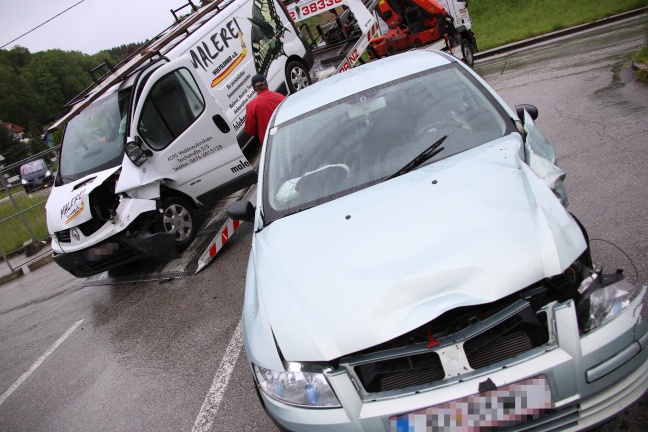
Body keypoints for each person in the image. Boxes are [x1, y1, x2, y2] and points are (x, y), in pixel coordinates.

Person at [245, 74, 285, 146]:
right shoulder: (280, 97)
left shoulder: (251, 106)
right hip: (286, 135)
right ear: (266, 83)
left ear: (254, 88)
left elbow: (250, 130)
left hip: (269, 143)